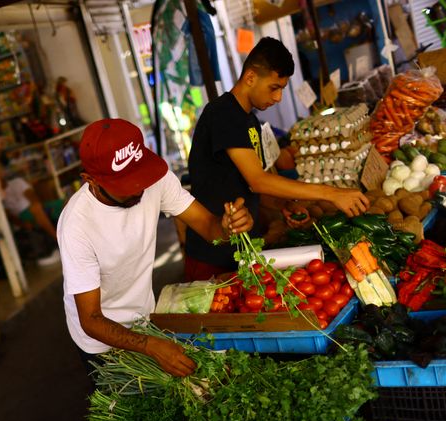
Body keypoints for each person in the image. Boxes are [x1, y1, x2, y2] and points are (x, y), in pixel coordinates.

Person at [58, 119, 253, 378]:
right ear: (90, 180)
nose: (140, 187)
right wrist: (152, 346)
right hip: (101, 342)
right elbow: (91, 318)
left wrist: (229, 226)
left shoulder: (154, 179)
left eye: (140, 177)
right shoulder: (76, 226)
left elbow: (208, 226)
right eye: (127, 186)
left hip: (144, 318)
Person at [184, 37, 370, 281]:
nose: (279, 97)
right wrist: (331, 193)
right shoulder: (223, 114)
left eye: (282, 88)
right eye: (274, 87)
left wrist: (284, 205)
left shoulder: (248, 120)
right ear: (250, 77)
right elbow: (258, 180)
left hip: (241, 248)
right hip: (212, 255)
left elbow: (246, 183)